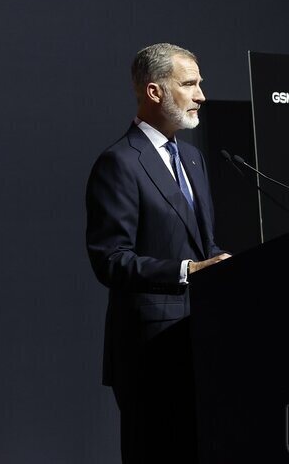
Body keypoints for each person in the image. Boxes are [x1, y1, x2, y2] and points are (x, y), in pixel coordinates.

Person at [85, 42, 230, 463]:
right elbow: (110, 258)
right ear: (154, 92)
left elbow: (204, 245)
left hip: (202, 343)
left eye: (200, 83)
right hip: (150, 353)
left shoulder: (194, 159)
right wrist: (188, 270)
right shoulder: (120, 163)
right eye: (189, 84)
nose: (201, 94)